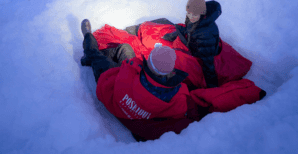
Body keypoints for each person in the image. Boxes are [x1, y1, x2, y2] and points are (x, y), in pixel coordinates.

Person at [80, 18, 265, 142]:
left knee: (114, 53)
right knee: (123, 51)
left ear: (149, 64)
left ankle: (88, 41)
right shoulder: (179, 98)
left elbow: (107, 83)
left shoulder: (130, 73)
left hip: (117, 97)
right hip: (136, 110)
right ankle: (93, 54)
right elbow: (208, 101)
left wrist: (132, 68)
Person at [163, 0, 221, 88]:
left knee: (176, 61)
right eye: (188, 13)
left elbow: (208, 63)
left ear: (202, 14)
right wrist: (172, 36)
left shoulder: (206, 35)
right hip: (194, 43)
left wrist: (212, 86)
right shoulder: (194, 20)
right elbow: (188, 30)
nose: (190, 17)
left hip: (201, 54)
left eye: (194, 14)